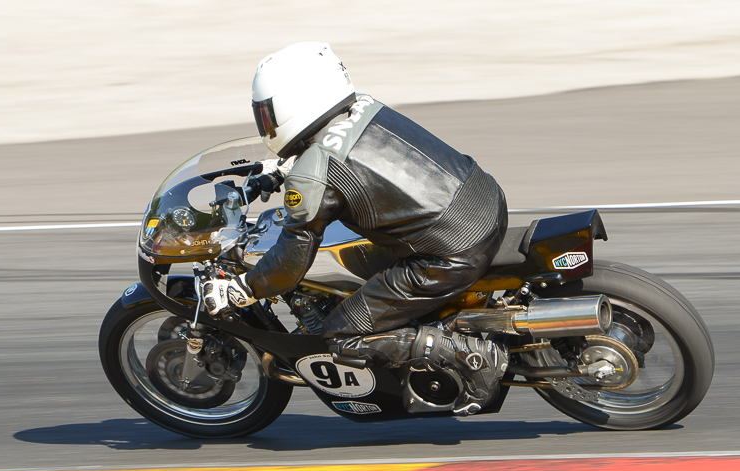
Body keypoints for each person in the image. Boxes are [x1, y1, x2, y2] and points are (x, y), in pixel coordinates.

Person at [201, 42, 509, 412]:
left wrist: (243, 289)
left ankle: (471, 355)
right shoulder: (364, 106)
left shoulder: (315, 174)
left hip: (450, 252)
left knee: (340, 334)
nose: (266, 121)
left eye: (268, 111)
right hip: (484, 200)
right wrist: (285, 170)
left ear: (293, 102)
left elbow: (288, 266)